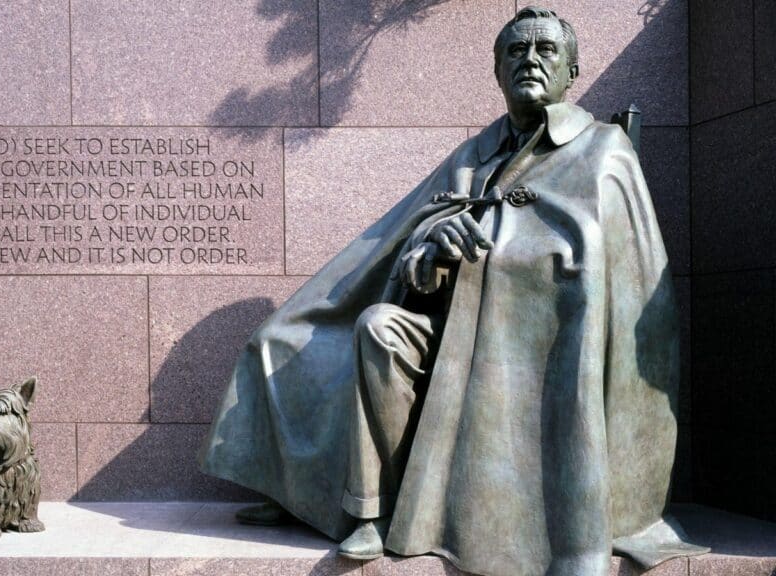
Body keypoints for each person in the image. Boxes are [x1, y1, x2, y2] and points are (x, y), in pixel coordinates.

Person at [199, 7, 706, 576]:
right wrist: (432, 247)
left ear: (572, 71)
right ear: (496, 71)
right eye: (515, 51)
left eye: (545, 50)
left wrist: (499, 249)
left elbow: (616, 278)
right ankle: (365, 510)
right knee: (367, 330)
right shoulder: (474, 153)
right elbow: (407, 253)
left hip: (542, 351)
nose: (530, 59)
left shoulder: (603, 150)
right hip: (450, 332)